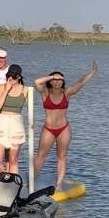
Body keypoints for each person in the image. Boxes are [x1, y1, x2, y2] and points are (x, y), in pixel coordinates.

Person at [33, 61, 98, 191]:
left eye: (60, 80)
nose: (57, 82)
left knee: (62, 156)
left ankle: (59, 185)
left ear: (63, 82)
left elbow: (81, 83)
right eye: (55, 80)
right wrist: (52, 76)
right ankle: (31, 181)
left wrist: (92, 72)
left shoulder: (67, 92)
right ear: (50, 81)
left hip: (64, 129)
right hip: (48, 129)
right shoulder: (45, 92)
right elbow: (36, 82)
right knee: (41, 155)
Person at [0, 64, 28, 174]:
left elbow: (30, 109)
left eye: (14, 76)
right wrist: (6, 90)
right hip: (2, 122)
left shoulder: (25, 90)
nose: (11, 78)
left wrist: (32, 124)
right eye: (9, 76)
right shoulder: (2, 87)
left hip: (16, 123)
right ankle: (3, 179)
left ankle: (13, 183)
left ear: (19, 77)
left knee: (13, 161)